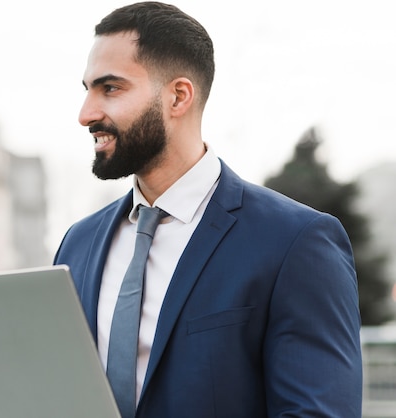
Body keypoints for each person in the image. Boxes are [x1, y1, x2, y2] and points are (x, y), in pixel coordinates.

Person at [53, 2, 363, 417]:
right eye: (87, 89)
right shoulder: (78, 243)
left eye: (110, 88)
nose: (86, 114)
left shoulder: (296, 242)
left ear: (178, 96)